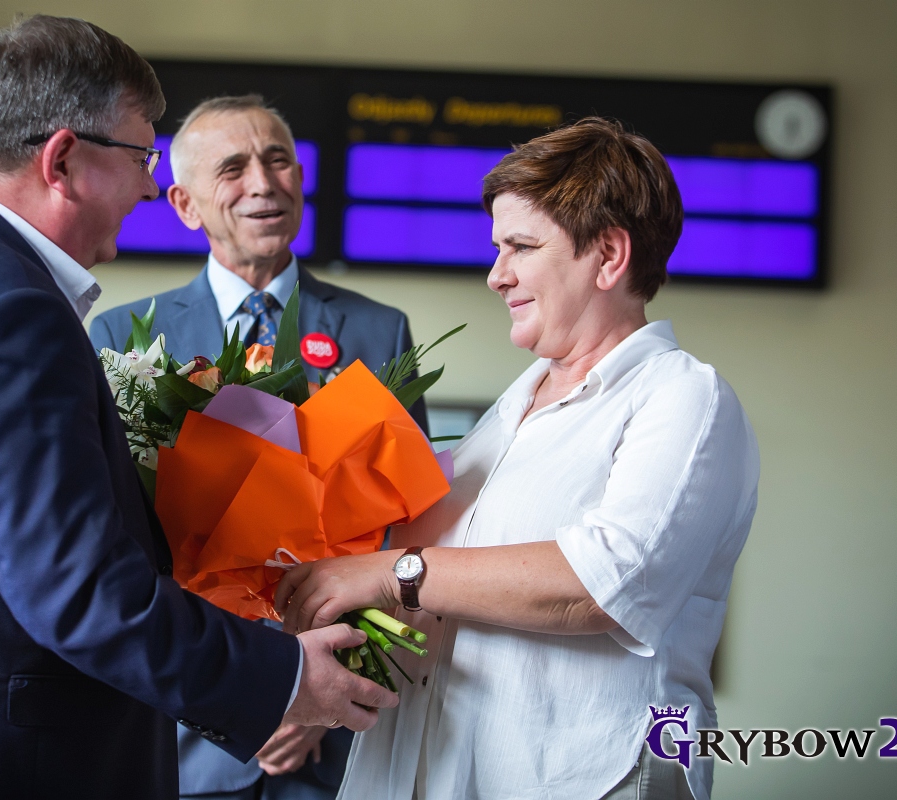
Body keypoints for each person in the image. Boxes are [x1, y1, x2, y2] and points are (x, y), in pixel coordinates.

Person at [0, 17, 395, 799]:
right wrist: (282, 677)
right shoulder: (12, 312)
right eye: (139, 158)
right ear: (63, 160)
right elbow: (79, 589)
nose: (147, 188)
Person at [274, 117, 760, 800]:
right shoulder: (502, 420)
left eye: (521, 247)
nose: (496, 276)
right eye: (497, 248)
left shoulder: (683, 397)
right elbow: (436, 606)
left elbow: (604, 583)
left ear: (608, 256)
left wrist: (390, 571)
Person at [90, 94, 425, 800]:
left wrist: (324, 688)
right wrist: (246, 693)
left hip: (337, 736)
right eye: (233, 168)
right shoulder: (122, 340)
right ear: (184, 204)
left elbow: (413, 530)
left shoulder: (380, 332)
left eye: (279, 162)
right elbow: (115, 544)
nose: (264, 184)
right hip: (186, 733)